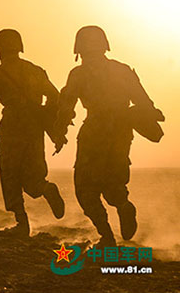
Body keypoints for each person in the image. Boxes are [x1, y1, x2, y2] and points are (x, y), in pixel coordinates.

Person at [54, 26, 162, 247]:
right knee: (113, 180)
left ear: (79, 48)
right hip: (122, 132)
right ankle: (123, 204)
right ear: (104, 45)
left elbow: (66, 106)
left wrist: (59, 132)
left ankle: (107, 237)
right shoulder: (122, 70)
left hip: (94, 131)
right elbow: (144, 102)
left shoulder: (79, 74)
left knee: (86, 188)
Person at [0, 29, 65, 237]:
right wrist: (44, 114)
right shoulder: (35, 70)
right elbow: (55, 96)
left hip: (11, 128)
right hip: (34, 128)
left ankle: (22, 223)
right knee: (33, 174)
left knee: (10, 175)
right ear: (19, 48)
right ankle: (44, 189)